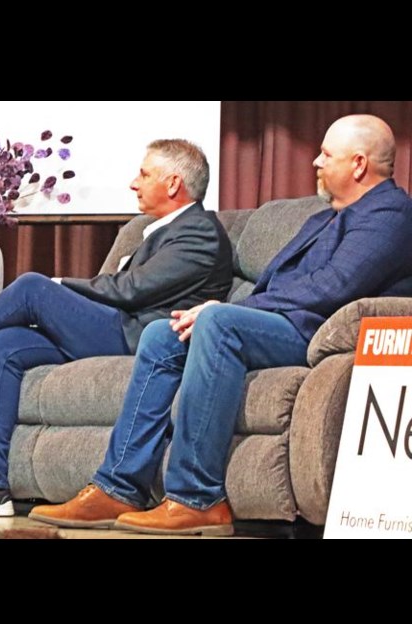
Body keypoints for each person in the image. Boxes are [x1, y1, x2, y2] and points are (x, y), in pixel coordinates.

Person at [30, 114, 412, 536]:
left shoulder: (390, 214)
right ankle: (119, 484)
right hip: (278, 320)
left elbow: (335, 286)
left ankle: (197, 497)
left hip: (313, 332)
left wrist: (226, 309)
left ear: (358, 164)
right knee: (162, 333)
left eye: (326, 155)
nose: (316, 163)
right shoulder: (323, 217)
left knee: (217, 322)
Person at [0, 139, 234, 516]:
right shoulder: (158, 229)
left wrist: (60, 288)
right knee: (7, 343)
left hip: (140, 340)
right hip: (117, 328)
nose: (134, 182)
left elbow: (132, 290)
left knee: (33, 286)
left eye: (144, 174)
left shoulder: (199, 231)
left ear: (173, 183)